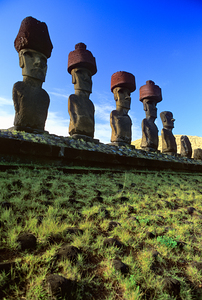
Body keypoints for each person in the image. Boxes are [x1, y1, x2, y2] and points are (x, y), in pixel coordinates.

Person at [12, 16, 53, 133]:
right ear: (21, 59)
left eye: (43, 59)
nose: (38, 62)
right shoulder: (19, 87)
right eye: (30, 55)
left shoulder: (45, 96)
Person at [67, 43, 97, 139]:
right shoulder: (73, 98)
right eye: (80, 72)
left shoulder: (90, 104)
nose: (86, 78)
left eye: (89, 75)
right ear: (73, 77)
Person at [110, 71, 136, 145]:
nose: (127, 97)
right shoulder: (114, 114)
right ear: (115, 96)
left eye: (128, 94)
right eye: (121, 92)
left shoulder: (128, 118)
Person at [139, 80, 162, 151]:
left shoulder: (154, 126)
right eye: (150, 103)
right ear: (144, 106)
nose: (155, 108)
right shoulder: (145, 122)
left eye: (155, 104)